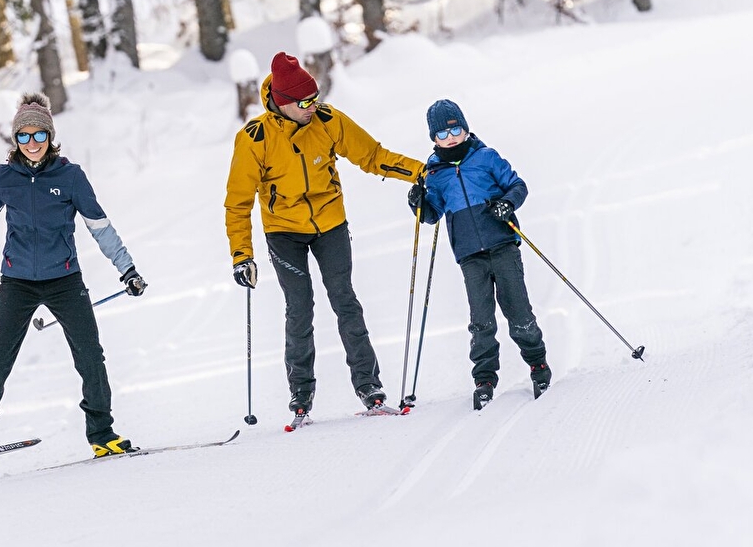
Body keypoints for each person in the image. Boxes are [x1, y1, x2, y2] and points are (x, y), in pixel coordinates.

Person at [0, 93, 147, 462]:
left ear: (50, 137)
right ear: (15, 141)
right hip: (16, 280)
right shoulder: (5, 178)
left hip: (64, 278)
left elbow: (100, 227)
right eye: (24, 136)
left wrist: (126, 269)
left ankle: (102, 434)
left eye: (39, 136)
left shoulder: (70, 176)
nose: (32, 143)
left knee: (90, 356)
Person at [224, 53, 423, 416]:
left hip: (330, 223)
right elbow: (238, 203)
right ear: (283, 103)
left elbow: (373, 156)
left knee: (345, 300)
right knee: (299, 309)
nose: (312, 107)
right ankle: (301, 394)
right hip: (284, 232)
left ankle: (369, 385)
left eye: (314, 98)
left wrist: (421, 173)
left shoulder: (327, 119)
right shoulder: (255, 138)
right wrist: (242, 255)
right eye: (304, 103)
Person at [406, 100, 550, 410]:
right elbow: (432, 214)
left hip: (502, 245)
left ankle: (538, 364)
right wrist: (418, 202)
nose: (451, 138)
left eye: (456, 130)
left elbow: (517, 185)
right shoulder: (435, 173)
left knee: (518, 312)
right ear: (433, 139)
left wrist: (507, 203)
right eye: (443, 134)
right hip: (469, 254)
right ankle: (484, 378)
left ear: (466, 129)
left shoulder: (486, 158)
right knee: (481, 320)